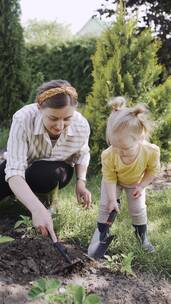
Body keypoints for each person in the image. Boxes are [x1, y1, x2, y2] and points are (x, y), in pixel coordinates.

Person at [0, 79, 91, 242]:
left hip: (54, 171)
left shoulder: (81, 125)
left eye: (67, 118)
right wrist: (36, 210)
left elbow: (82, 153)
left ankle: (43, 200)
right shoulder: (23, 119)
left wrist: (81, 182)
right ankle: (20, 198)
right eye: (53, 118)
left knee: (46, 174)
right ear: (39, 108)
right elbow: (14, 171)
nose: (60, 125)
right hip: (22, 168)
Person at [88, 96, 160, 258]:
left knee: (138, 209)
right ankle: (100, 235)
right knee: (106, 205)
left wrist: (141, 186)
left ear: (140, 138)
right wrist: (113, 199)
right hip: (114, 182)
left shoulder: (151, 151)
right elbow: (109, 178)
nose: (119, 152)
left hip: (135, 183)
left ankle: (142, 238)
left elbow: (152, 171)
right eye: (115, 146)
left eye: (125, 149)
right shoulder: (109, 155)